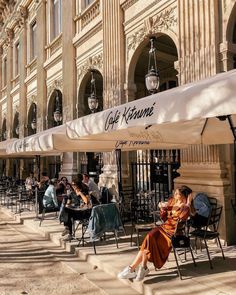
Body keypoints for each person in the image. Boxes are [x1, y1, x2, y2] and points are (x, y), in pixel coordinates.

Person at [117, 185, 193, 281]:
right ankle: (139, 268)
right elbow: (164, 218)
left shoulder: (186, 207)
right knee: (149, 237)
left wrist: (189, 202)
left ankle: (133, 269)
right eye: (175, 192)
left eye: (178, 193)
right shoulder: (172, 201)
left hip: (172, 234)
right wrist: (163, 208)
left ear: (183, 196)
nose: (175, 194)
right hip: (163, 228)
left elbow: (183, 216)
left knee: (148, 241)